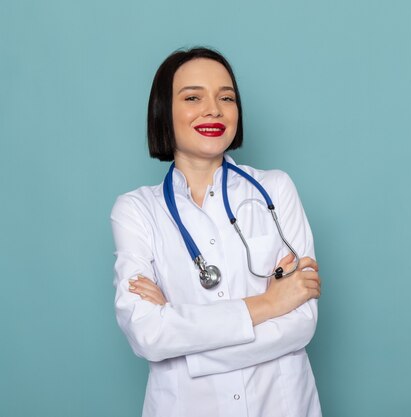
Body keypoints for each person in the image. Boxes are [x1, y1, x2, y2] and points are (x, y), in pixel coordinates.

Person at [110, 47, 322, 417]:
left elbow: (300, 325)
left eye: (226, 97)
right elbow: (147, 334)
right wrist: (269, 304)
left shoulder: (275, 190)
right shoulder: (136, 210)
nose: (214, 109)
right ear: (164, 111)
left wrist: (182, 335)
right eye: (193, 97)